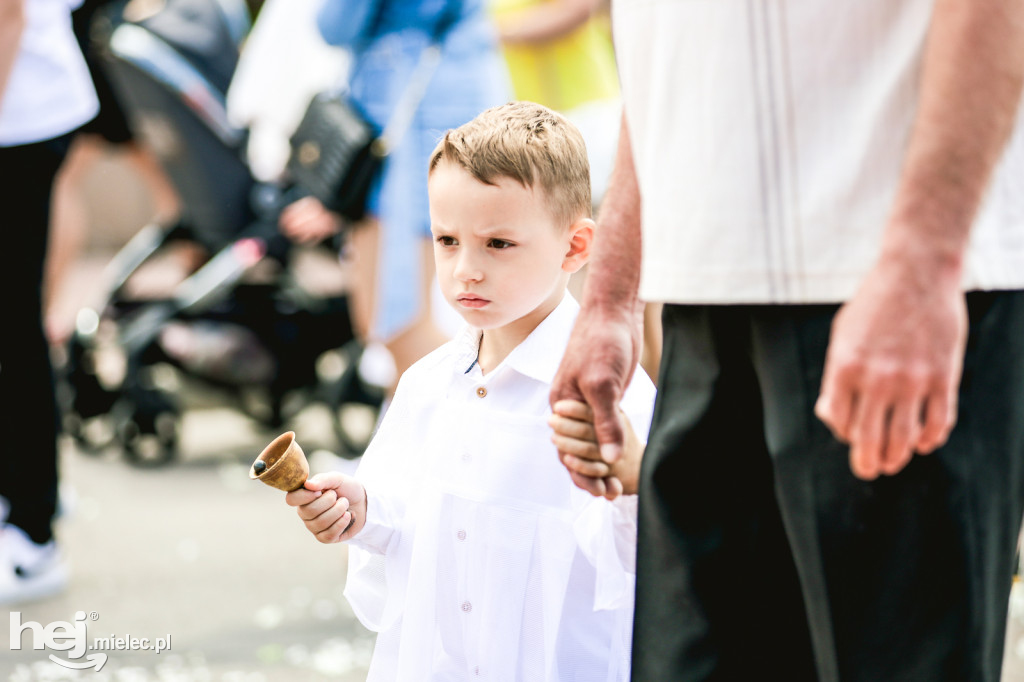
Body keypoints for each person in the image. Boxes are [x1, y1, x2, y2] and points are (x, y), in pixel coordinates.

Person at [550, 1, 1024, 681]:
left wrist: (924, 263)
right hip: (704, 284)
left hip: (878, 275)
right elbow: (661, 44)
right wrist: (610, 292)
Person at [285, 102, 656, 680]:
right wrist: (361, 510)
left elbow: (641, 560)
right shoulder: (428, 384)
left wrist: (635, 483)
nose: (466, 270)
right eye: (447, 240)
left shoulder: (609, 393)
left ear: (576, 247)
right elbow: (408, 515)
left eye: (498, 244)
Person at [278, 0, 509, 393]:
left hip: (412, 133)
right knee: (402, 320)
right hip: (444, 118)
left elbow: (334, 25)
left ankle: (492, 420)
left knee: (397, 323)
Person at [0, 0, 99, 604]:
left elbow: (9, 12)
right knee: (15, 326)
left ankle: (33, 534)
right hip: (29, 105)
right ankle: (29, 499)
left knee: (13, 329)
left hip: (20, 115)